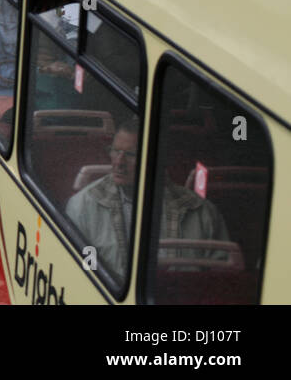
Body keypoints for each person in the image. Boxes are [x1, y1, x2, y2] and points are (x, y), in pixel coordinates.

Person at [65, 118, 231, 283]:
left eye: (130, 155)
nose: (119, 162)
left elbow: (221, 278)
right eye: (115, 151)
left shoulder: (200, 211)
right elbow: (80, 277)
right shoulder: (83, 207)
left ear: (156, 160)